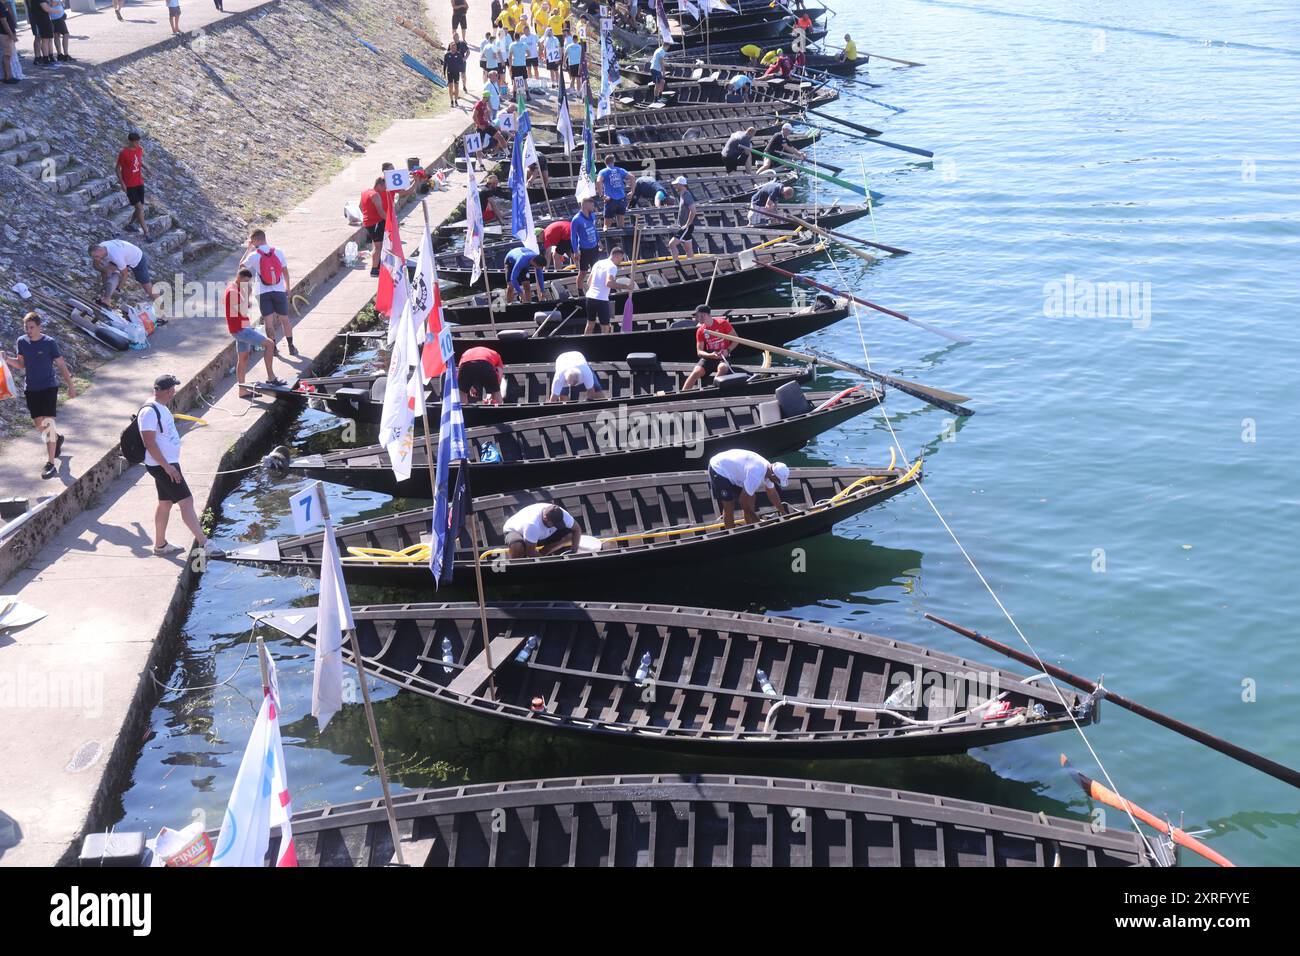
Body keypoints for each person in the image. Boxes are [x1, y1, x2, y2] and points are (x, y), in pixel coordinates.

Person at [138, 374, 215, 556]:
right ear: (161, 391)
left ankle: (160, 545)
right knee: (186, 501)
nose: (173, 393)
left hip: (166, 464)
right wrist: (167, 467)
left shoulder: (161, 407)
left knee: (165, 503)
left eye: (173, 389)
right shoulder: (149, 412)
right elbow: (149, 442)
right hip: (163, 466)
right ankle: (206, 544)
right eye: (170, 390)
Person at [2, 312, 75, 479]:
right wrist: (6, 359)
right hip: (32, 388)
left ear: (39, 326)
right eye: (26, 328)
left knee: (48, 423)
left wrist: (70, 386)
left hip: (49, 387)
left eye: (32, 327)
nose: (29, 330)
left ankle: (50, 463)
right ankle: (56, 438)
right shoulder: (22, 342)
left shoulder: (49, 343)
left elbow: (62, 365)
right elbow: (21, 365)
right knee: (39, 425)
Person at [224, 268, 280, 398]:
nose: (247, 283)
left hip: (242, 327)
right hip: (240, 330)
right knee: (270, 344)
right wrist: (248, 294)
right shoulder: (233, 292)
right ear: (239, 277)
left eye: (248, 281)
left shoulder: (235, 287)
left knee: (243, 358)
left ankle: (242, 390)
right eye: (245, 281)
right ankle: (271, 378)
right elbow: (243, 309)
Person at [241, 230, 295, 356]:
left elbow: (241, 267)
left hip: (262, 292)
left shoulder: (254, 255)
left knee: (268, 321)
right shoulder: (278, 252)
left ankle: (274, 348)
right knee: (285, 319)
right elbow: (285, 272)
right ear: (264, 238)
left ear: (255, 241)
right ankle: (291, 346)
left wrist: (248, 249)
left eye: (252, 241)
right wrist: (288, 288)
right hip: (279, 290)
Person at [707, 449, 792, 528]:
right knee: (729, 505)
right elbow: (743, 503)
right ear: (773, 475)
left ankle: (751, 525)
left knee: (751, 497)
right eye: (777, 480)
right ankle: (731, 533)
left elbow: (772, 493)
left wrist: (784, 513)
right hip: (719, 469)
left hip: (735, 471)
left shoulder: (769, 469)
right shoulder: (756, 474)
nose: (777, 482)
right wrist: (758, 520)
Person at [89, 239, 157, 308]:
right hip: (125, 254)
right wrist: (105, 270)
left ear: (100, 251)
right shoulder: (100, 248)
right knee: (107, 270)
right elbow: (96, 265)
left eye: (96, 256)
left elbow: (125, 275)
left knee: (146, 286)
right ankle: (106, 297)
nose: (96, 258)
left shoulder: (116, 257)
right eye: (94, 257)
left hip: (137, 258)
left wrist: (119, 288)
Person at [681, 305, 735, 390]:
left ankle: (712, 390)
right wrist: (710, 355)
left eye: (700, 315)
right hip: (709, 356)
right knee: (695, 372)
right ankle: (682, 395)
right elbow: (699, 352)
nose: (698, 318)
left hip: (723, 356)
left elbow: (736, 339)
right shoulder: (700, 330)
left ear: (707, 314)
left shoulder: (723, 323)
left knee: (722, 368)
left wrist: (727, 350)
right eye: (697, 316)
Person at [503, 502, 581, 559]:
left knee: (570, 536)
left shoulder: (563, 514)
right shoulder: (532, 524)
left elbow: (577, 529)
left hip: (540, 534)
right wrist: (547, 562)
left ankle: (543, 554)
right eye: (554, 524)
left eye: (558, 523)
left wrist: (574, 552)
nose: (555, 526)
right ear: (545, 518)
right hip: (516, 531)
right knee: (518, 547)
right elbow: (530, 551)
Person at [583, 247, 631, 334]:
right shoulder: (612, 267)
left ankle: (584, 344)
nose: (621, 261)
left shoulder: (598, 263)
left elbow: (588, 282)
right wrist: (627, 286)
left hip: (589, 297)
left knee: (590, 323)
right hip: (601, 299)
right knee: (605, 327)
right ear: (617, 256)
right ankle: (605, 345)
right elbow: (609, 283)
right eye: (621, 258)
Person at [115, 131, 150, 241]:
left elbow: (139, 161)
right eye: (135, 142)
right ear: (130, 141)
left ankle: (130, 224)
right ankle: (146, 233)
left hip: (139, 182)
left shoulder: (140, 149)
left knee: (139, 208)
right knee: (139, 208)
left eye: (138, 141)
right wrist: (122, 184)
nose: (137, 144)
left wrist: (146, 168)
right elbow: (117, 168)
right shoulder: (124, 153)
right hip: (130, 185)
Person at [569, 195, 600, 290]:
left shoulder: (592, 215)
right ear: (585, 206)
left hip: (594, 247)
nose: (594, 207)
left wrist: (599, 241)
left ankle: (594, 288)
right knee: (583, 272)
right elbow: (573, 236)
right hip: (584, 250)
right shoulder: (576, 219)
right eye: (592, 205)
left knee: (596, 269)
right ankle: (580, 291)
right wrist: (575, 251)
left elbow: (594, 229)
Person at [360, 177, 387, 277]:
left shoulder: (365, 192)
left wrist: (367, 216)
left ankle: (378, 264)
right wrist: (391, 220)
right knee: (378, 247)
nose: (386, 188)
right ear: (379, 185)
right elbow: (380, 212)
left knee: (377, 245)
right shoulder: (375, 195)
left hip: (368, 223)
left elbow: (360, 206)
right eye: (385, 186)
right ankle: (374, 270)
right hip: (375, 223)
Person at [596, 155, 632, 230]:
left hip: (610, 199)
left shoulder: (603, 171)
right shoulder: (620, 170)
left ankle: (606, 236)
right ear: (613, 161)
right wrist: (632, 191)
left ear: (605, 163)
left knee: (606, 226)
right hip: (622, 199)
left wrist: (601, 195)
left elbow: (598, 181)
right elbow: (632, 177)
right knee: (621, 226)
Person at [667, 175, 697, 262]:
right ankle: (692, 264)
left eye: (676, 184)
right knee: (688, 249)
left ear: (681, 185)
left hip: (686, 227)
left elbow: (693, 210)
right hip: (685, 226)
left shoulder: (686, 195)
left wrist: (687, 224)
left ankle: (675, 263)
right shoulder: (682, 195)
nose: (674, 186)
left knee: (671, 244)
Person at [28, 0, 53, 67]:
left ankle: (45, 56)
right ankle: (37, 57)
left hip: (43, 18)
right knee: (38, 37)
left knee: (45, 38)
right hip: (36, 18)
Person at [0, 1, 17, 85]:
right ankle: (8, 77)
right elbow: (4, 21)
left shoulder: (4, 5)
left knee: (7, 55)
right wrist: (11, 35)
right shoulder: (1, 6)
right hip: (4, 34)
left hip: (5, 33)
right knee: (7, 55)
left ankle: (9, 76)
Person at [509, 30, 529, 97]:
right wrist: (524, 57)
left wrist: (510, 65)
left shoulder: (512, 45)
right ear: (519, 37)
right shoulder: (524, 44)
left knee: (515, 80)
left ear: (514, 37)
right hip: (522, 64)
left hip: (515, 64)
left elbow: (510, 57)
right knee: (524, 80)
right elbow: (529, 54)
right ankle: (528, 95)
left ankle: (514, 96)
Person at [444, 39, 464, 106]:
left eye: (455, 47)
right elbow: (445, 65)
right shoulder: (447, 55)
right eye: (452, 47)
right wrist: (444, 73)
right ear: (450, 47)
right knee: (450, 87)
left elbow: (462, 64)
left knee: (456, 87)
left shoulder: (459, 54)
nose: (454, 48)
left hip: (456, 73)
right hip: (449, 72)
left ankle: (456, 100)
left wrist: (461, 72)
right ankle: (451, 101)